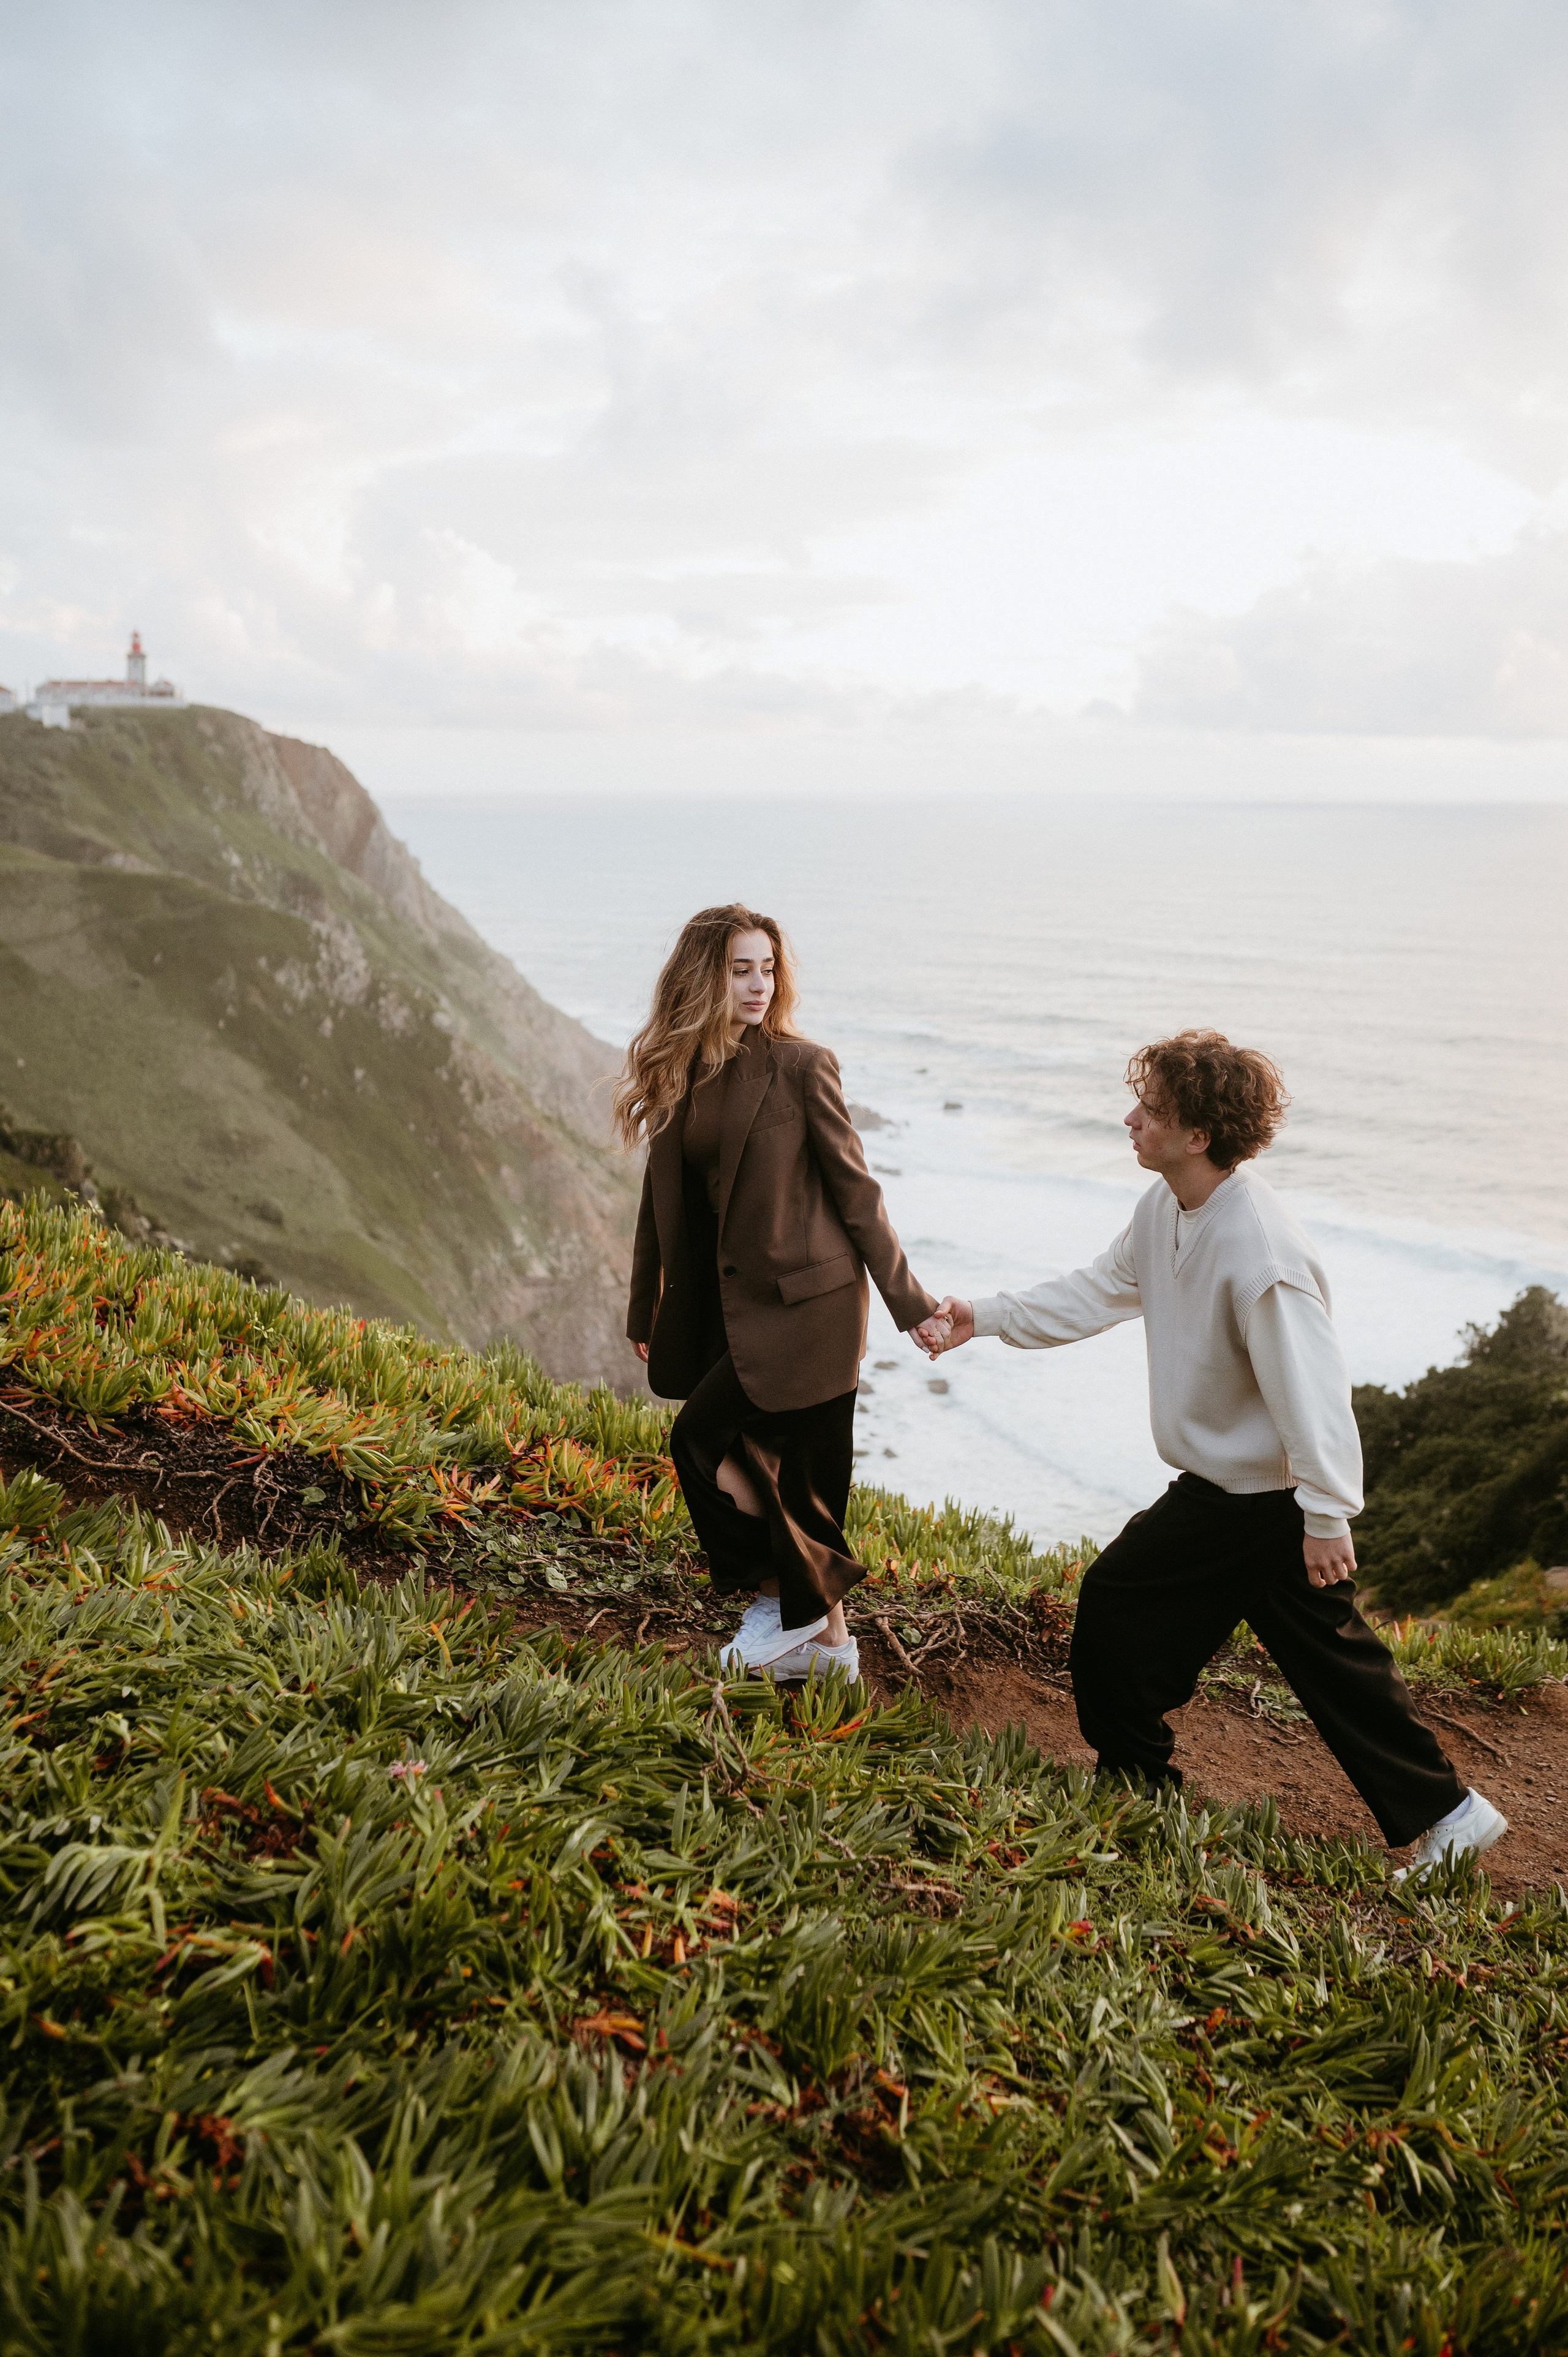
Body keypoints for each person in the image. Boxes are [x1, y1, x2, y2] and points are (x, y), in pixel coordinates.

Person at [913, 1029, 1507, 1886]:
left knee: (1117, 1602)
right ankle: (1451, 1814)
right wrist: (986, 1316)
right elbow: (1100, 1289)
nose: (1130, 1120)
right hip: (1235, 1489)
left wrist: (1326, 1513)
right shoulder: (1168, 1207)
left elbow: (1311, 1385)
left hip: (1258, 1500)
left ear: (1198, 1136)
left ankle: (1139, 1785)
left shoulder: (1257, 1246)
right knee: (1331, 1661)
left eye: (1150, 1112)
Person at [617, 904, 937, 1683]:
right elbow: (661, 1207)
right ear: (704, 977)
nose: (759, 985)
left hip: (809, 1309)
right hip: (729, 1310)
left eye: (766, 968)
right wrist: (644, 1309)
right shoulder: (680, 1073)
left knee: (708, 1441)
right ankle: (828, 1647)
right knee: (769, 1469)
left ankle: (777, 1609)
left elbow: (857, 1193)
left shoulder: (801, 1066)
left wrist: (911, 1306)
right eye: (740, 969)